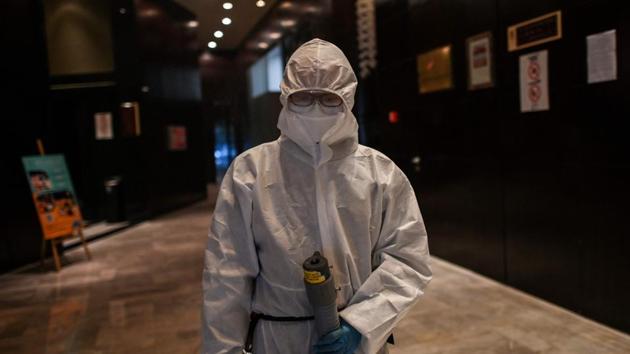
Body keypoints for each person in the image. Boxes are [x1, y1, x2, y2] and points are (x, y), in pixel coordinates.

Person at [202, 38, 432, 354]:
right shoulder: (251, 172)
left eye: (328, 98)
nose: (315, 108)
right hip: (278, 339)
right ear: (286, 97)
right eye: (303, 98)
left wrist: (360, 324)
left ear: (347, 99)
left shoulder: (381, 174)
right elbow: (226, 274)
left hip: (356, 344)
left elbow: (407, 258)